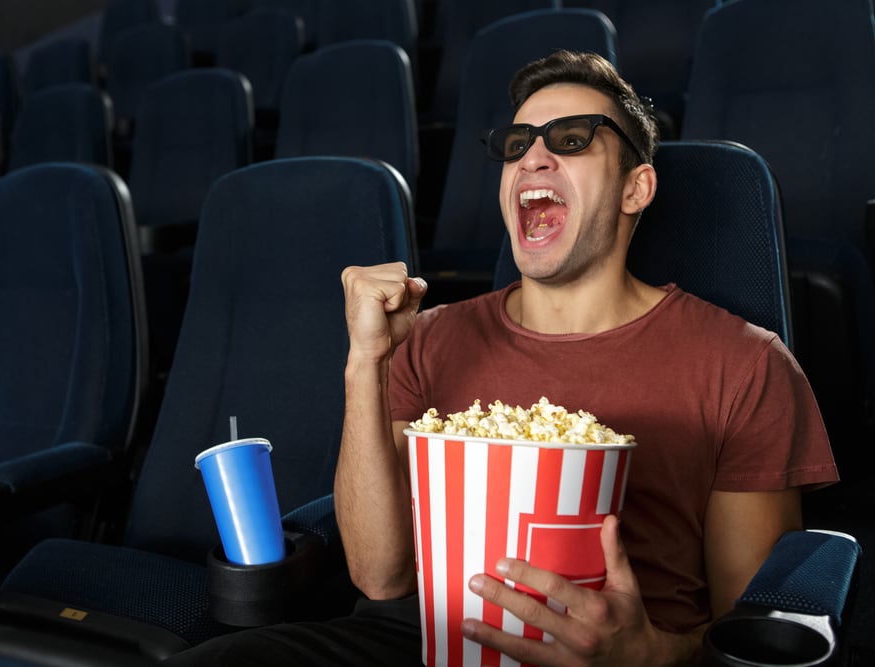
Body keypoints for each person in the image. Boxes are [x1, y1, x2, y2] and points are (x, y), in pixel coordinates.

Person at [165, 50, 838, 666]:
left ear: (637, 188)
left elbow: (746, 632)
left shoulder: (745, 365)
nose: (533, 158)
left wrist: (648, 653)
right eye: (518, 143)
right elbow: (380, 574)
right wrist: (364, 362)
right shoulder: (426, 338)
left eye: (571, 138)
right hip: (416, 636)